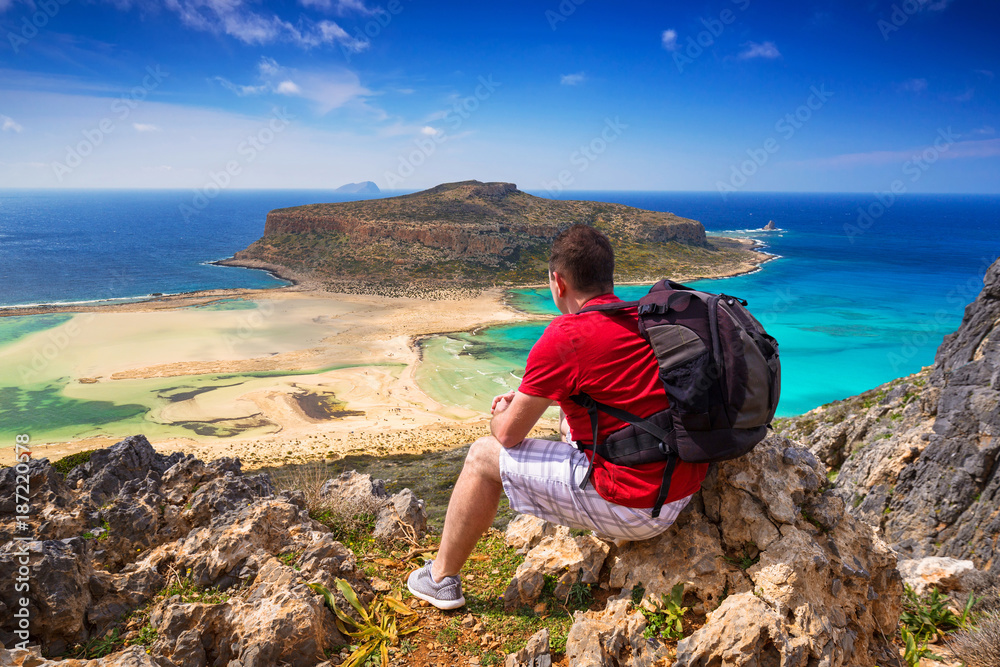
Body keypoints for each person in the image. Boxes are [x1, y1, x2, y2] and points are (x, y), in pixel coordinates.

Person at [407, 224, 709, 610]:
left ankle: (440, 579)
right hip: (681, 486)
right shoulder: (641, 319)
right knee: (569, 423)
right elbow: (615, 394)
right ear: (608, 277)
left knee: (483, 456)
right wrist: (538, 399)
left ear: (558, 282)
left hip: (638, 507)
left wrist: (501, 414)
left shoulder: (566, 336)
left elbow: (508, 437)